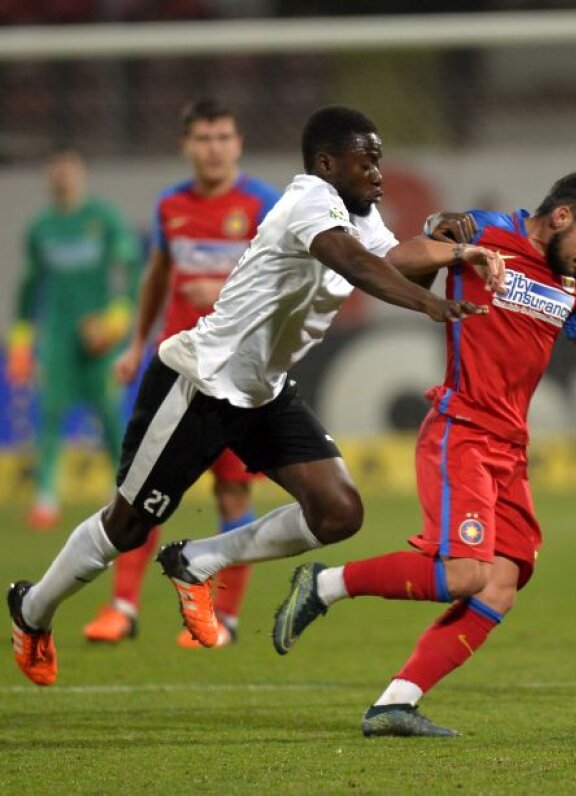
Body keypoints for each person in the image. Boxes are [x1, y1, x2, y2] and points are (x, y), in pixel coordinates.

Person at [7, 105, 504, 688]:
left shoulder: (359, 215)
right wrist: (430, 303)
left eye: (380, 159)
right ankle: (32, 609)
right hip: (199, 382)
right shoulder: (309, 202)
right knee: (128, 526)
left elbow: (395, 261)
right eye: (364, 159)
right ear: (326, 164)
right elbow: (358, 265)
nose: (377, 170)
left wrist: (449, 246)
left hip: (261, 392)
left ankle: (200, 559)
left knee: (339, 512)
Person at [270, 172, 576, 738]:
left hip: (509, 444)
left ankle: (394, 703)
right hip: (461, 430)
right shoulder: (485, 233)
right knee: (463, 573)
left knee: (501, 582)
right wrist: (453, 244)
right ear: (560, 218)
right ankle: (326, 584)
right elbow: (399, 262)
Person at [82, 98, 282, 649]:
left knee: (233, 497)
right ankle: (122, 606)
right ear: (186, 146)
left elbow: (280, 283)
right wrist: (133, 344)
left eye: (222, 137)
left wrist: (221, 293)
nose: (213, 148)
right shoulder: (171, 204)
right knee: (141, 492)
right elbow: (157, 275)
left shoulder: (264, 204)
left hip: (238, 375)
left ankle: (224, 617)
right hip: (176, 370)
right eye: (203, 138)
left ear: (238, 144)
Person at [7, 147, 139, 532]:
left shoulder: (102, 219)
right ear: (49, 175)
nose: (63, 175)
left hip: (98, 339)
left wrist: (117, 316)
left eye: (69, 167)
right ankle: (46, 496)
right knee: (49, 414)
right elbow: (30, 287)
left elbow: (130, 266)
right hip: (58, 338)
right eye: (56, 168)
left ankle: (123, 491)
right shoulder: (41, 228)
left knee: (109, 415)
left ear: (80, 172)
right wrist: (21, 339)